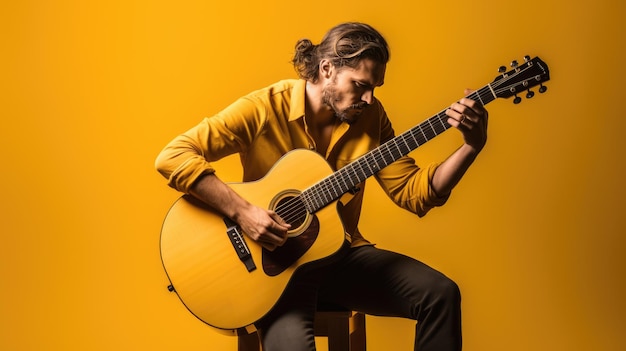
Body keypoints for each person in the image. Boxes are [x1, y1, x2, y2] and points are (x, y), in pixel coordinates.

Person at [155, 22, 488, 351]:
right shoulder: (266, 107)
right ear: (327, 68)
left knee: (440, 294)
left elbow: (414, 193)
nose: (369, 98)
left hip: (340, 258)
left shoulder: (371, 116)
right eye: (360, 85)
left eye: (375, 87)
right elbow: (172, 156)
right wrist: (244, 214)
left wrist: (470, 147)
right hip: (275, 272)